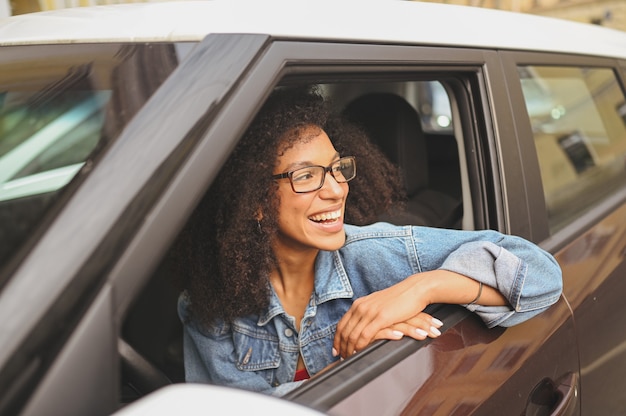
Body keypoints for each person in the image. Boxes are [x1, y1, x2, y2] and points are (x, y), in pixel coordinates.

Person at [175, 85, 562, 396]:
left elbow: (543, 275)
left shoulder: (374, 253)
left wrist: (421, 288)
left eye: (336, 168)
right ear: (254, 202)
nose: (336, 190)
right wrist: (349, 365)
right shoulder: (211, 305)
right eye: (306, 176)